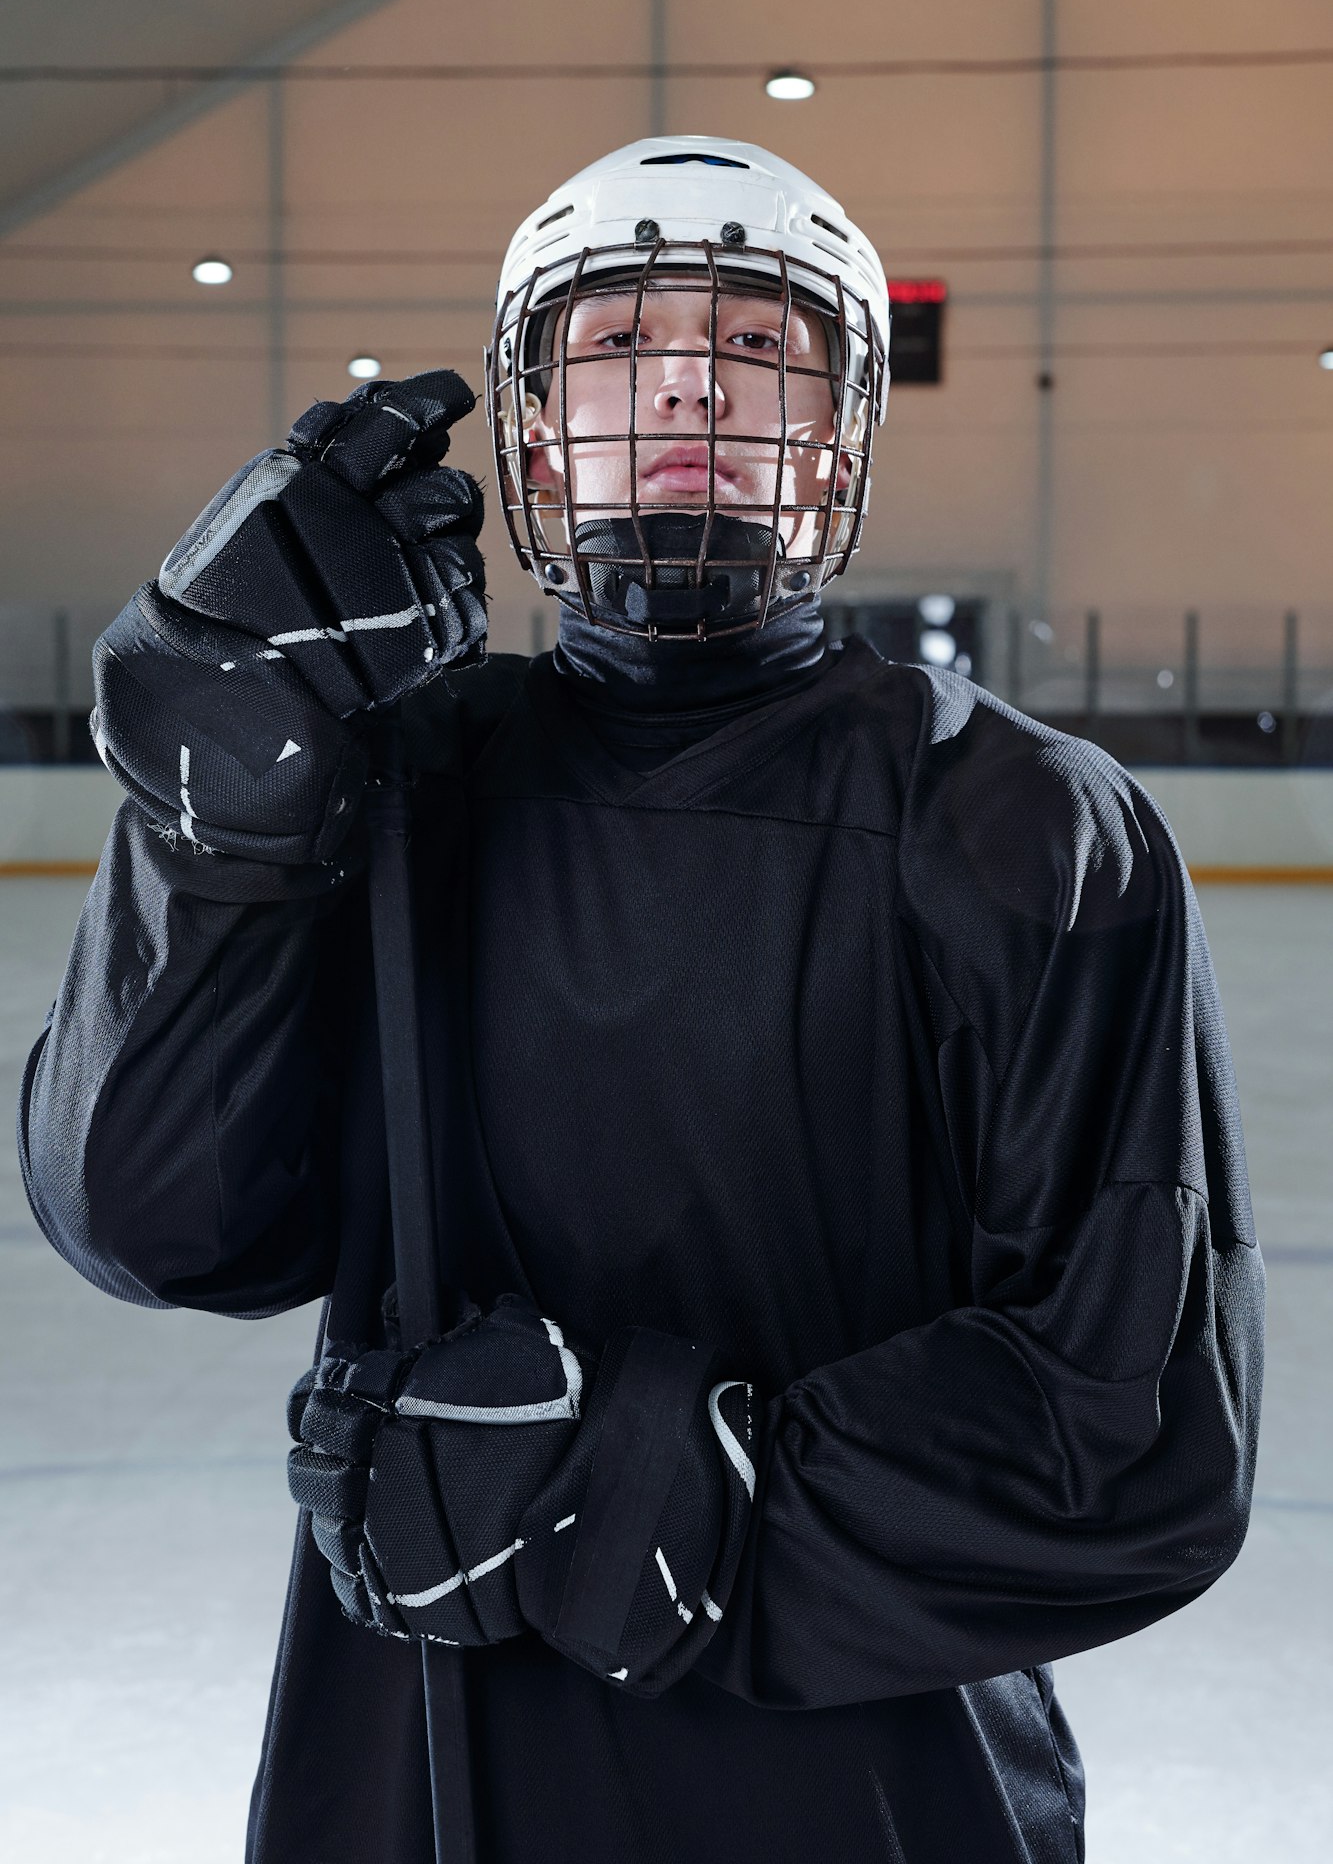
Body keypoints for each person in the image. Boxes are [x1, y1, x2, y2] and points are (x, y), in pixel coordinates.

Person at [19, 136, 1264, 1864]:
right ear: (531, 428)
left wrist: (627, 1488)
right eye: (615, 342)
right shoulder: (394, 784)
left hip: (872, 1797)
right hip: (413, 1783)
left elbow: (1136, 1435)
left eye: (757, 345)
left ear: (836, 426)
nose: (685, 376)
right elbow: (155, 1224)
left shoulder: (1023, 824)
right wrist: (210, 815)